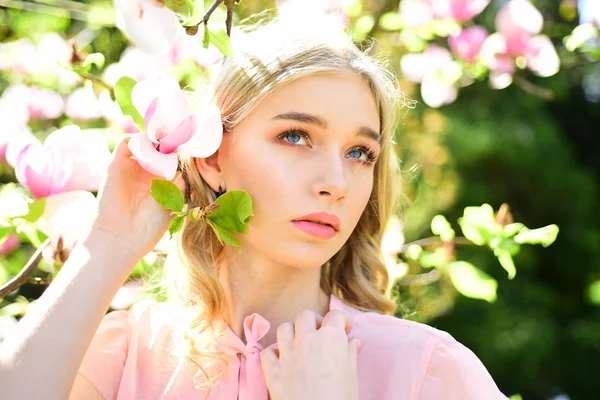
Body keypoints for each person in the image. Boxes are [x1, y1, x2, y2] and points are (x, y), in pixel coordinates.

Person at [0, 17, 508, 400]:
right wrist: (107, 246)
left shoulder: (430, 372)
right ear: (214, 156)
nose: (336, 183)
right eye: (295, 136)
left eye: (360, 153)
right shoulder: (119, 353)